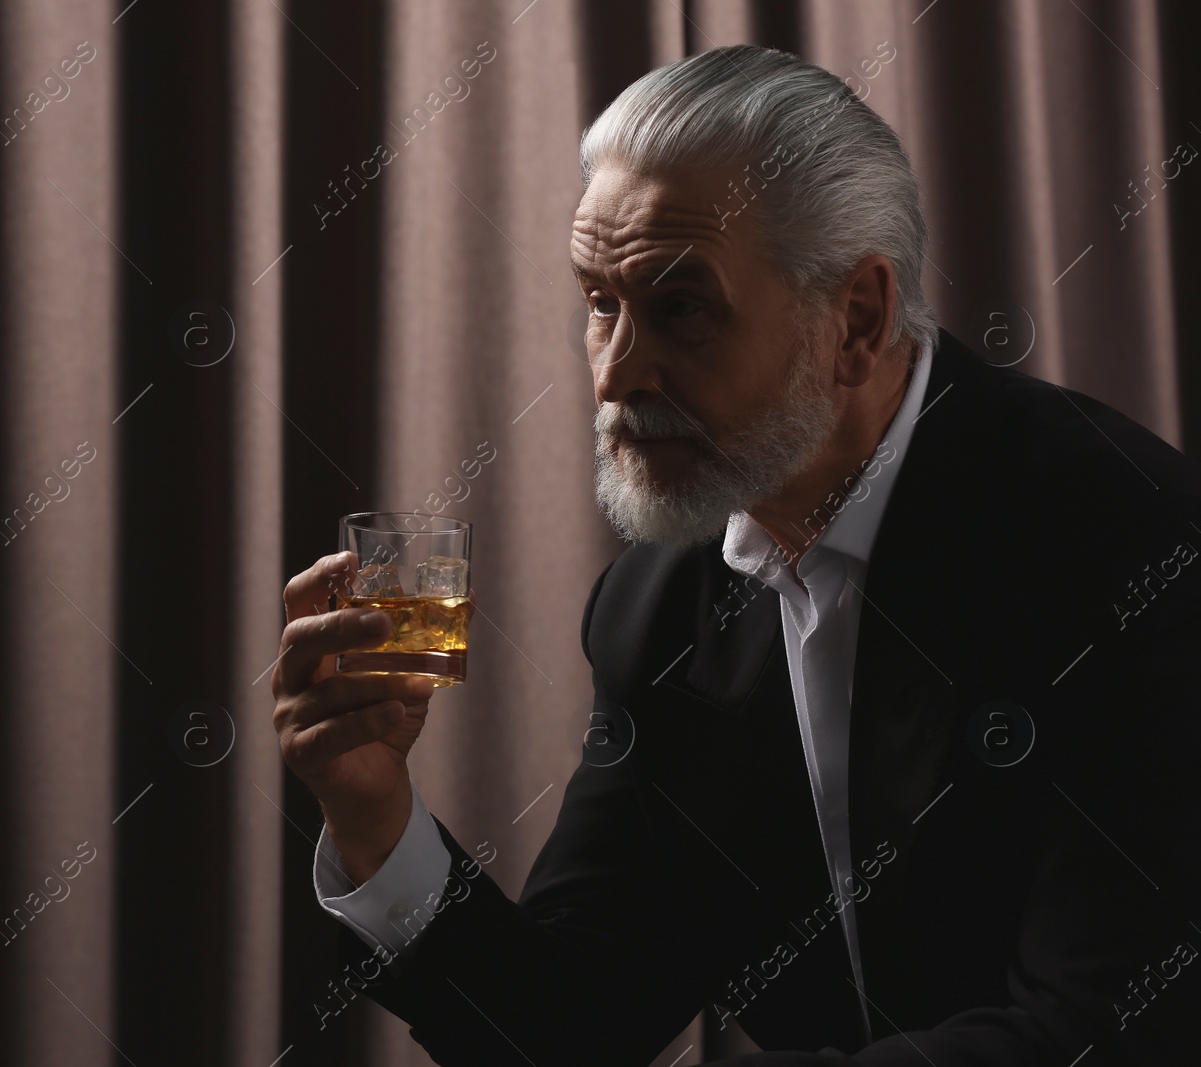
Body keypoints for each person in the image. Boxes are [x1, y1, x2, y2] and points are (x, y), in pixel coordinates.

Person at [271, 44, 1201, 1066]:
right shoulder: (654, 607)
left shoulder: (1132, 543)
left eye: (680, 307)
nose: (614, 375)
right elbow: (566, 1029)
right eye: (598, 303)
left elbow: (1108, 1027)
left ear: (855, 319)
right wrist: (373, 814)